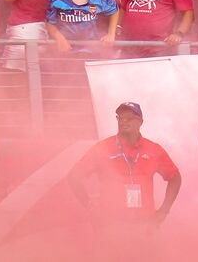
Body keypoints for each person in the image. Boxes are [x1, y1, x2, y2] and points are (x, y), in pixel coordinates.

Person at [69, 102, 181, 260]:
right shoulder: (103, 148)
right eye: (120, 118)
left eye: (130, 118)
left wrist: (164, 210)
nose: (124, 121)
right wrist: (88, 204)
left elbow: (175, 177)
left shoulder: (153, 149)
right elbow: (74, 176)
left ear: (141, 122)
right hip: (111, 225)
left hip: (145, 225)